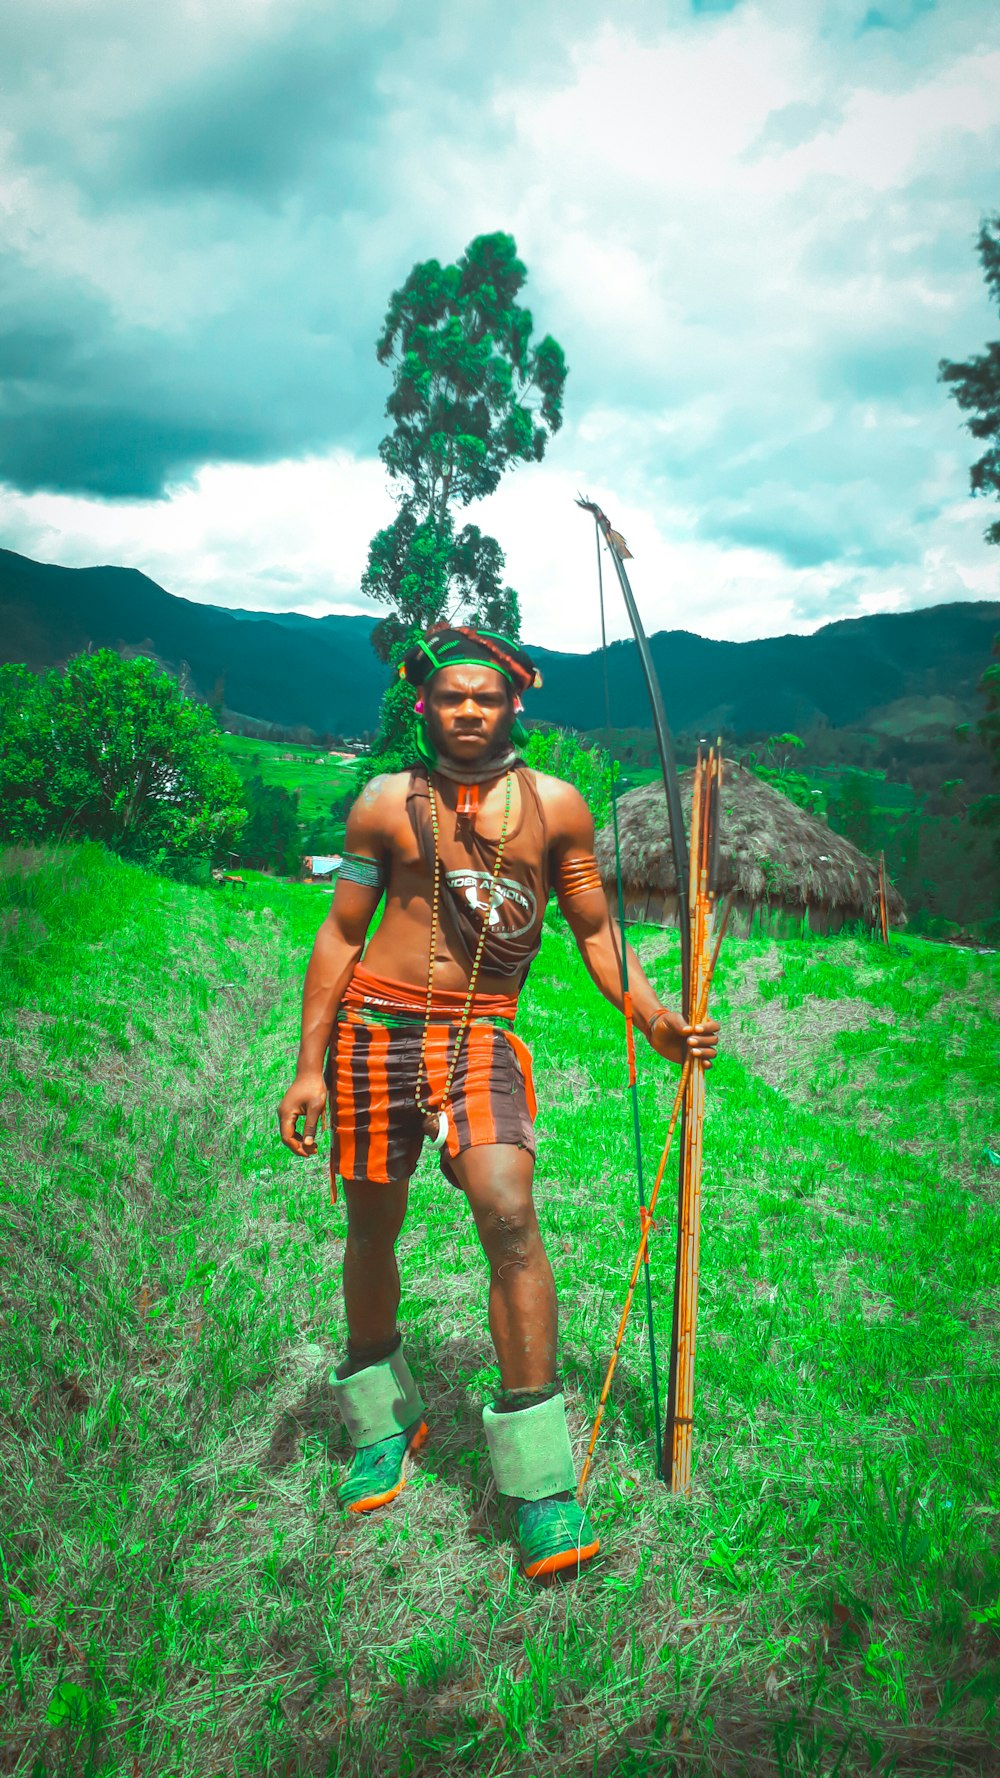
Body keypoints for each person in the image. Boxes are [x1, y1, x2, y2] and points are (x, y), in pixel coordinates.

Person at [278, 624, 720, 1581]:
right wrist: (310, 1063)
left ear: (515, 702)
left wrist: (653, 1017)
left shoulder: (555, 808)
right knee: (370, 1229)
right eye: (449, 698)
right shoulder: (386, 805)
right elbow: (341, 933)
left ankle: (539, 1481)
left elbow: (598, 931)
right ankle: (381, 1420)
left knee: (510, 1213)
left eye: (484, 697)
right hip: (373, 1032)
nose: (468, 712)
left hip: (479, 1035)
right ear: (424, 705)